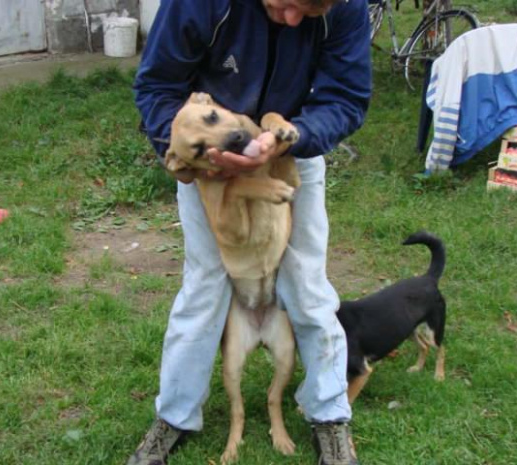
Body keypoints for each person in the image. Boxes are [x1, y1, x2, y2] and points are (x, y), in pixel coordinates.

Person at [129, 0, 371, 464]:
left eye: (311, 13)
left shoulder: (346, 5)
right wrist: (187, 155)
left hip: (289, 148)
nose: (296, 20)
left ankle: (330, 416)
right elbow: (158, 86)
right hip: (210, 166)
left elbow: (345, 97)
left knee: (309, 286)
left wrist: (294, 136)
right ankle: (174, 417)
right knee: (204, 286)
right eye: (288, 5)